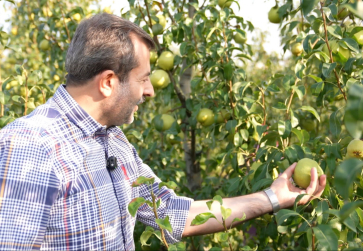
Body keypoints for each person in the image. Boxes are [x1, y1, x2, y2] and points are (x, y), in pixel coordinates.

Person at [0, 13, 326, 250]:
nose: (151, 91)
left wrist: (272, 197)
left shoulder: (113, 140)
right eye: (143, 79)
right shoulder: (32, 146)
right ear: (109, 82)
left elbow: (171, 213)